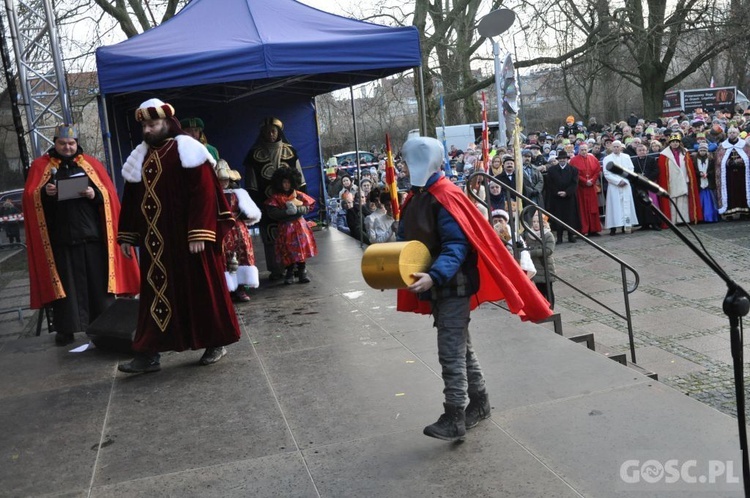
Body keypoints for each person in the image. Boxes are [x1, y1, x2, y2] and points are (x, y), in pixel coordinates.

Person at [396, 137, 552, 442]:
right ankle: (480, 404)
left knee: (450, 351)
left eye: (408, 159)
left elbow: (456, 245)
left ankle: (455, 415)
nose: (404, 165)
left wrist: (434, 276)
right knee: (461, 349)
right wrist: (390, 270)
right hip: (439, 285)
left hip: (453, 285)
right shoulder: (418, 197)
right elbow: (406, 240)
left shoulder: (445, 195)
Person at [117, 98, 240, 373]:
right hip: (156, 243)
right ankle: (148, 354)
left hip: (190, 240)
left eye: (154, 124)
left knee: (201, 291)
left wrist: (200, 232)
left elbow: (205, 193)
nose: (148, 130)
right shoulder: (140, 156)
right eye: (145, 126)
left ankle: (215, 342)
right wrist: (127, 236)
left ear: (167, 123)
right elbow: (132, 198)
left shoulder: (186, 149)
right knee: (155, 296)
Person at [23, 124, 140, 346]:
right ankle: (65, 330)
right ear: (55, 143)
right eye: (62, 143)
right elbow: (30, 197)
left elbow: (108, 195)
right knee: (65, 289)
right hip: (61, 239)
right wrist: (45, 194)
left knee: (98, 285)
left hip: (91, 237)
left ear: (77, 143)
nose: (67, 147)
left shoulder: (91, 164)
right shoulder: (41, 166)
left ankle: (104, 328)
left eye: (71, 143)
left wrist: (92, 193)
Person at [244, 117, 306, 279]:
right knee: (271, 236)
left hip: (290, 201)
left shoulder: (290, 151)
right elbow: (252, 184)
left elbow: (300, 178)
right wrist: (256, 206)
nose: (271, 134)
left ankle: (298, 268)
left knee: (294, 237)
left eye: (274, 130)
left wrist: (301, 199)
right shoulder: (253, 155)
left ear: (279, 132)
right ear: (262, 133)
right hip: (267, 204)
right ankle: (277, 269)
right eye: (267, 131)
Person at [216, 160, 261, 302]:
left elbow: (252, 213)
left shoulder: (239, 193)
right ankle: (228, 289)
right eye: (220, 180)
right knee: (224, 259)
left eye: (225, 179)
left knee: (242, 257)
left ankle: (241, 288)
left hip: (239, 230)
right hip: (222, 230)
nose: (223, 182)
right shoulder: (211, 194)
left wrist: (242, 214)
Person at [264, 167, 318, 284]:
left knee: (301, 249)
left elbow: (309, 206)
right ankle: (289, 273)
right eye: (284, 182)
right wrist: (286, 212)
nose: (286, 185)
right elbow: (272, 212)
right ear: (279, 183)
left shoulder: (298, 195)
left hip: (300, 227)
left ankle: (302, 272)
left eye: (288, 182)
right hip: (285, 228)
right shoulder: (276, 198)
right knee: (287, 250)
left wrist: (300, 210)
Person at [657, 133, 702, 225]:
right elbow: (662, 170)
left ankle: (683, 219)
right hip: (671, 181)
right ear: (669, 143)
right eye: (673, 142)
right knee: (673, 200)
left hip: (683, 179)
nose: (675, 144)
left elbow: (689, 167)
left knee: (683, 199)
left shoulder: (685, 152)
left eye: (677, 142)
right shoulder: (664, 155)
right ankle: (673, 220)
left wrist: (688, 178)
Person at [602, 141, 638, 235]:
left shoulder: (626, 157)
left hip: (625, 184)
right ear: (611, 148)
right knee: (614, 206)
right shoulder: (607, 158)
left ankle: (625, 226)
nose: (616, 148)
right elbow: (606, 173)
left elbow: (631, 169)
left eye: (618, 146)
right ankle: (613, 228)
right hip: (614, 186)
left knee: (626, 205)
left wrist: (625, 180)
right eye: (614, 147)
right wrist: (617, 181)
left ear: (621, 147)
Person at [714, 126, 750, 219]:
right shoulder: (723, 146)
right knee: (730, 193)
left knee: (743, 191)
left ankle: (744, 213)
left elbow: (748, 157)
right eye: (730, 133)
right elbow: (719, 160)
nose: (732, 134)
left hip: (742, 174)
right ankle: (729, 213)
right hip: (728, 175)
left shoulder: (744, 145)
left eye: (734, 132)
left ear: (737, 134)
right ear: (727, 134)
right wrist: (729, 162)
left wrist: (741, 161)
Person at [544, 150, 580, 243]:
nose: (562, 160)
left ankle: (570, 235)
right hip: (556, 198)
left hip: (569, 197)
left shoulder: (573, 169)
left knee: (570, 217)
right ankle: (559, 237)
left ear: (567, 159)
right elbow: (549, 184)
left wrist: (567, 192)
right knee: (558, 217)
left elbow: (574, 183)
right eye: (560, 159)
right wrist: (557, 192)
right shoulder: (552, 170)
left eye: (564, 158)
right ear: (558, 160)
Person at [569, 143, 602, 236]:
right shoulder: (574, 160)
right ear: (578, 150)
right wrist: (584, 181)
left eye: (585, 149)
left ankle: (594, 229)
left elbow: (597, 170)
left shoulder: (593, 158)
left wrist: (592, 180)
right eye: (582, 150)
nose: (584, 151)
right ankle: (584, 230)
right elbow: (575, 174)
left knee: (593, 209)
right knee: (582, 209)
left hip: (591, 188)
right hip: (581, 189)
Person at [524, 216, 556, 309]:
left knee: (548, 289)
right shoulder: (529, 234)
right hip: (535, 266)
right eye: (534, 222)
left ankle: (551, 307)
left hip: (545, 266)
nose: (536, 224)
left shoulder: (548, 235)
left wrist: (532, 252)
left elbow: (549, 250)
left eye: (538, 222)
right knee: (539, 289)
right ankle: (543, 307)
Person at [630, 143, 662, 230]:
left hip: (649, 184)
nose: (642, 152)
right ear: (636, 152)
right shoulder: (634, 161)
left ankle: (655, 224)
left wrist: (647, 178)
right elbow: (632, 172)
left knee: (652, 204)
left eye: (643, 150)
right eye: (640, 150)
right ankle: (644, 224)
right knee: (642, 205)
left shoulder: (651, 160)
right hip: (640, 186)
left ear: (647, 151)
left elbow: (656, 171)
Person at [691, 142, 719, 222]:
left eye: (704, 150)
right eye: (701, 150)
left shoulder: (711, 159)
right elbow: (694, 170)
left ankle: (711, 217)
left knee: (711, 202)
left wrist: (708, 174)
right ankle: (701, 217)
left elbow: (713, 169)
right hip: (700, 184)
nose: (702, 152)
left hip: (709, 184)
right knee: (700, 201)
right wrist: (699, 173)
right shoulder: (695, 160)